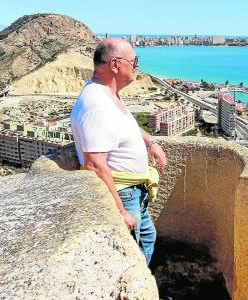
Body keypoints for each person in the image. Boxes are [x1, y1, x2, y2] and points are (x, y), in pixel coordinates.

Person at [70, 38, 167, 265]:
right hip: (123, 194)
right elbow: (93, 164)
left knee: (147, 238)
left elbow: (125, 127)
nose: (137, 66)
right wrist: (119, 211)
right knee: (131, 256)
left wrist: (150, 142)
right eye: (134, 61)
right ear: (115, 65)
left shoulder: (107, 95)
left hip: (133, 192)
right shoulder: (97, 105)